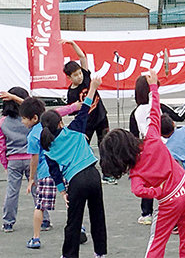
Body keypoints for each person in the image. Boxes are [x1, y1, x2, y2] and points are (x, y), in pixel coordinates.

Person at [99, 70, 185, 257]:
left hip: (169, 201)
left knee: (156, 245)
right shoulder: (153, 137)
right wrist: (153, 87)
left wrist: (157, 191)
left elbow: (138, 190)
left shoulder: (136, 172)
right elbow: (155, 112)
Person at [40, 77, 107, 258]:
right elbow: (85, 106)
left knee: (74, 221)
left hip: (76, 181)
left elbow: (55, 173)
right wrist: (93, 86)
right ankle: (100, 253)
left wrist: (63, 192)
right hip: (93, 175)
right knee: (97, 215)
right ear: (61, 123)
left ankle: (69, 255)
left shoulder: (47, 148)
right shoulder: (76, 128)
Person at [129, 74, 185, 225]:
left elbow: (133, 137)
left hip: (148, 151)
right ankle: (174, 210)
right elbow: (179, 116)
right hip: (166, 149)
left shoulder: (136, 112)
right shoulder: (158, 107)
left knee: (147, 182)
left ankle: (146, 213)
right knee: (171, 180)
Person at [20, 97, 82, 249]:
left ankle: (36, 238)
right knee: (70, 201)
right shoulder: (53, 125)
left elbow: (34, 160)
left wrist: (31, 178)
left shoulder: (32, 136)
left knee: (40, 206)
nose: (22, 122)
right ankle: (79, 228)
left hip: (45, 173)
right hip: (63, 169)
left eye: (23, 119)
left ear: (34, 118)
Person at [61, 39, 115, 185]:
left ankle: (107, 174)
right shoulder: (71, 94)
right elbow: (73, 112)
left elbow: (82, 57)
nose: (79, 76)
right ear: (69, 77)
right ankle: (77, 172)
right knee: (81, 147)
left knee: (105, 143)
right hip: (86, 124)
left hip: (101, 116)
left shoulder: (85, 77)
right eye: (75, 75)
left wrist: (72, 44)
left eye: (79, 73)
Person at [0, 87, 32, 233]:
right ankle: (44, 219)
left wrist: (5, 164)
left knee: (12, 192)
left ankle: (8, 222)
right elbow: (33, 104)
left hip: (13, 159)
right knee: (37, 191)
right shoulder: (31, 119)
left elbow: (2, 146)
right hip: (31, 158)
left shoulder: (3, 122)